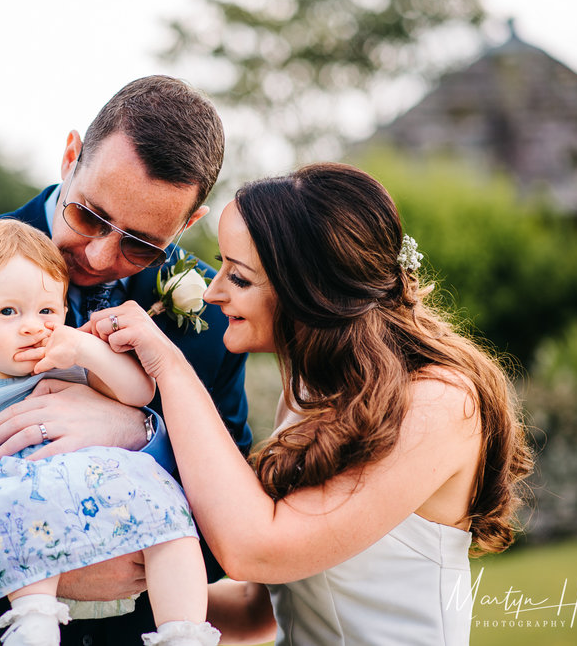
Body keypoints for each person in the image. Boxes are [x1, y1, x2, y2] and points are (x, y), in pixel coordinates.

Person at [0, 75, 252, 646]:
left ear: (188, 224)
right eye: (89, 216)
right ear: (70, 158)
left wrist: (140, 428)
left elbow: (235, 496)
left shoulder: (210, 314)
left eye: (140, 244)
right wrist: (37, 556)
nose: (98, 255)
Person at [69, 162, 534, 644]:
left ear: (312, 292)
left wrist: (169, 365)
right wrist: (67, 589)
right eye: (221, 265)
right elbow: (260, 609)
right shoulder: (310, 393)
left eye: (241, 278)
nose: (213, 291)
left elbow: (257, 548)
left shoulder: (439, 404)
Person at [0, 219, 219, 646]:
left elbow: (139, 392)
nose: (31, 325)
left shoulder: (72, 367)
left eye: (46, 311)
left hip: (105, 512)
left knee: (172, 525)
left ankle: (182, 631)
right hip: (18, 519)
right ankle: (33, 621)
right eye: (8, 312)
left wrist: (84, 347)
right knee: (15, 509)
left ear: (62, 312)